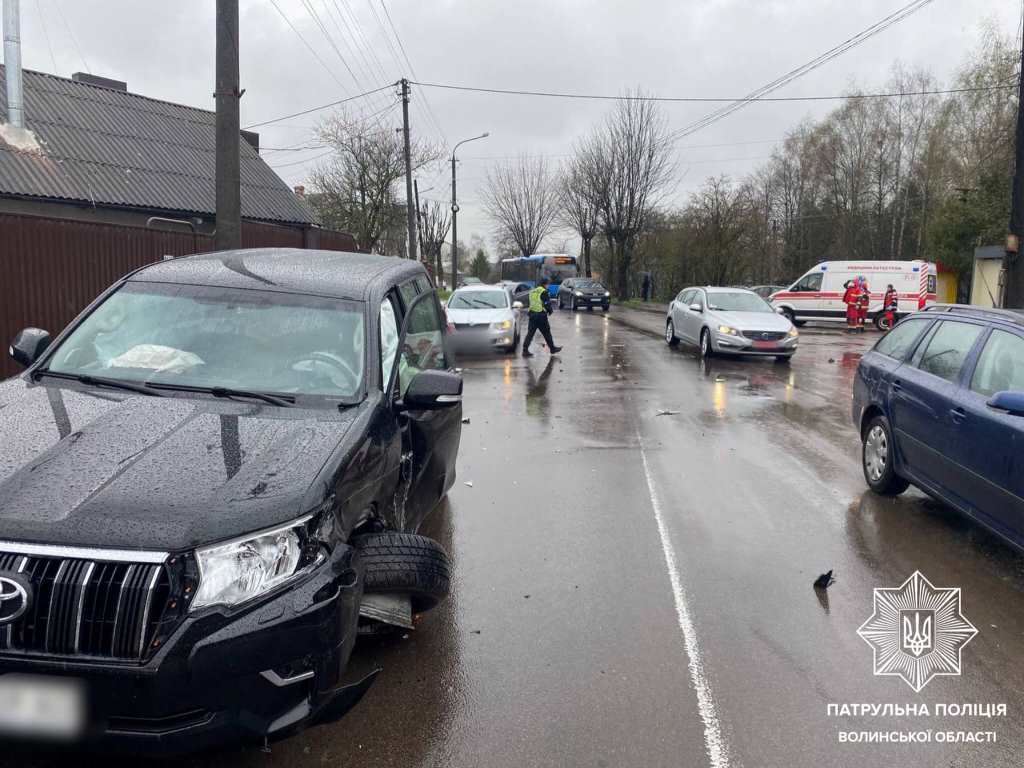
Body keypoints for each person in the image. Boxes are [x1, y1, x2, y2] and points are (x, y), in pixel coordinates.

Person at [522, 276, 562, 357]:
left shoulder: (533, 291)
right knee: (547, 333)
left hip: (532, 315)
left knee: (530, 333)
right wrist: (550, 311)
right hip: (540, 316)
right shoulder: (544, 291)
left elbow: (530, 302)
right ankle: (552, 349)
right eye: (548, 284)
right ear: (545, 284)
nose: (548, 285)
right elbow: (547, 303)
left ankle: (525, 350)